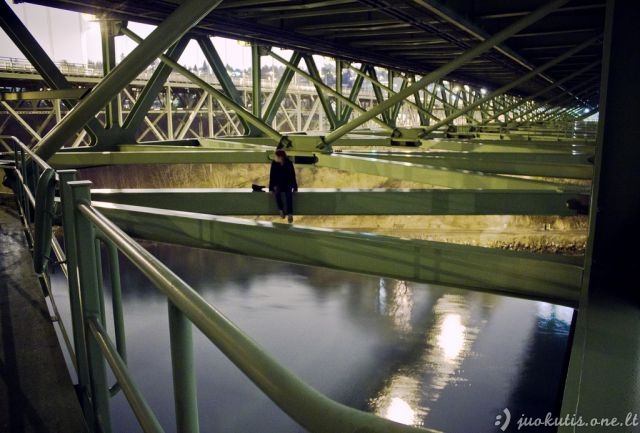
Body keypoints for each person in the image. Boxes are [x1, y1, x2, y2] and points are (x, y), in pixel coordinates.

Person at [269, 149, 298, 223]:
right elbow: (272, 176)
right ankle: (281, 210)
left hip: (287, 183)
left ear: (280, 157)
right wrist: (271, 188)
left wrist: (295, 187)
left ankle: (290, 214)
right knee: (277, 192)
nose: (274, 158)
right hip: (278, 183)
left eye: (276, 156)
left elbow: (292, 175)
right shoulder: (274, 163)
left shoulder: (289, 163)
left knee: (289, 194)